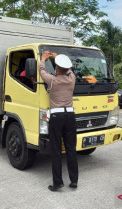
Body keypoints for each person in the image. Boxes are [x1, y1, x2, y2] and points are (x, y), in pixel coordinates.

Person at [39, 51, 78, 192]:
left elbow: (41, 70)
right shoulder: (71, 79)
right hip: (70, 116)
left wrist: (44, 59)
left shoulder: (52, 80)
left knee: (56, 151)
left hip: (56, 117)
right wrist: (58, 58)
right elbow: (69, 70)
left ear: (56, 69)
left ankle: (57, 183)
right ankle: (74, 181)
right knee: (71, 149)